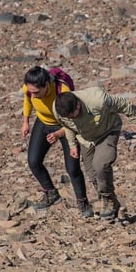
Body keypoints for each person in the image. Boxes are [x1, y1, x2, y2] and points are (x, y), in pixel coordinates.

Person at [51, 86, 136, 220]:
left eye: (73, 114)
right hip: (86, 139)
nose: (71, 117)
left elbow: (123, 104)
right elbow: (68, 126)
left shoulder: (98, 100)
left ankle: (107, 201)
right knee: (92, 174)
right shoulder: (58, 110)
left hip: (108, 130)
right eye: (68, 116)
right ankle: (111, 200)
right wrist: (72, 145)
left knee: (101, 164)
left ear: (78, 104)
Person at [20, 66, 92, 214]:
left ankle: (83, 203)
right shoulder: (30, 89)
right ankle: (51, 193)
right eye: (31, 91)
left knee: (72, 168)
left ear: (47, 85)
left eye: (37, 92)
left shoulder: (62, 91)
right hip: (42, 123)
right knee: (33, 161)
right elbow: (27, 100)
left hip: (66, 127)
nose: (33, 95)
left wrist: (59, 133)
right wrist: (26, 121)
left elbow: (74, 120)